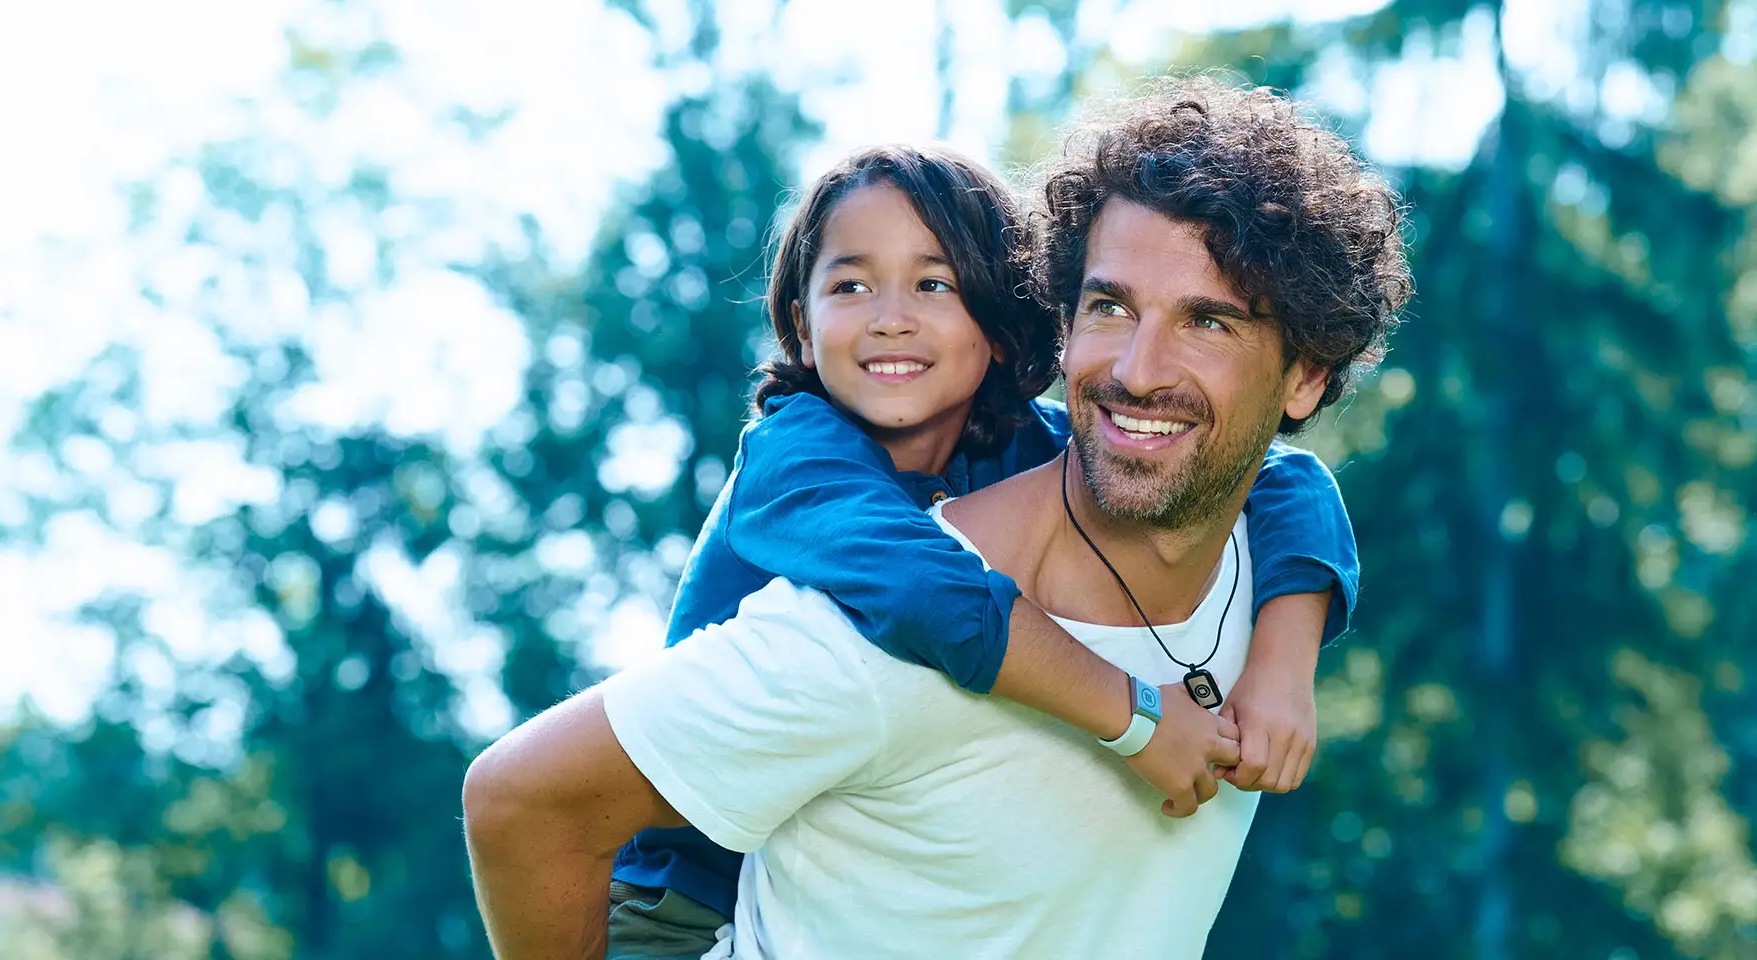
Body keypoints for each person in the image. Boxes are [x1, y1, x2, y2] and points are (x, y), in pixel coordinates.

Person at [465, 76, 1410, 959]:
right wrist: (1134, 720)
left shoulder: (1054, 447)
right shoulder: (824, 509)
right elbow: (930, 593)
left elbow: (1289, 481)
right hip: (676, 883)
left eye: (1209, 320)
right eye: (1112, 306)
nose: (1138, 371)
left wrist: (1285, 660)